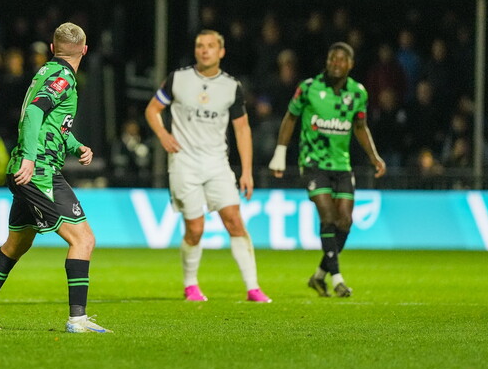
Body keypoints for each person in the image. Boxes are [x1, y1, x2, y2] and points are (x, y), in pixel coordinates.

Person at [0, 23, 111, 334]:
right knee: (83, 240)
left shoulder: (45, 71)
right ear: (84, 50)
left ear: (53, 47)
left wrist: (76, 145)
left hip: (25, 166)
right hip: (38, 169)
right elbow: (33, 113)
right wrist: (31, 158)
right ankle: (77, 320)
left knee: (17, 243)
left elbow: (54, 125)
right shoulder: (63, 78)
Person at [144, 30, 271, 304]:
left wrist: (247, 171)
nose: (204, 50)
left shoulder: (231, 87)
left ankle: (253, 287)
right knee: (196, 229)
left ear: (221, 52)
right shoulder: (178, 79)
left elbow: (242, 129)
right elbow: (152, 109)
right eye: (200, 45)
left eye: (211, 46)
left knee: (235, 220)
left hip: (217, 163)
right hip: (184, 163)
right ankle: (190, 285)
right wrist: (164, 135)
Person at [268, 41, 386, 298]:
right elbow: (290, 117)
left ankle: (319, 276)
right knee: (328, 216)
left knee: (345, 221)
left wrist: (374, 157)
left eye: (341, 60)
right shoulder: (309, 88)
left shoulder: (358, 93)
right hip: (313, 163)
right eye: (332, 59)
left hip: (341, 164)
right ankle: (337, 279)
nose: (335, 63)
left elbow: (360, 127)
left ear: (350, 64)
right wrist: (280, 152)